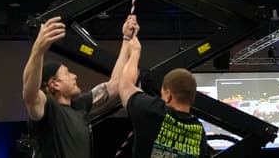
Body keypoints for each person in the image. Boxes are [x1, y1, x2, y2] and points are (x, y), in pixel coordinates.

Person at [23, 14, 137, 158]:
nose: (74, 76)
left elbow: (114, 85)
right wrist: (38, 50)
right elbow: (29, 94)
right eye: (67, 73)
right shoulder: (47, 108)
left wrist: (126, 39)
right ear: (54, 84)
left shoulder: (79, 105)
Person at [118, 32, 210, 158]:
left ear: (168, 95)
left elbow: (125, 86)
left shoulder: (154, 111)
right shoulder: (199, 132)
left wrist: (135, 51)